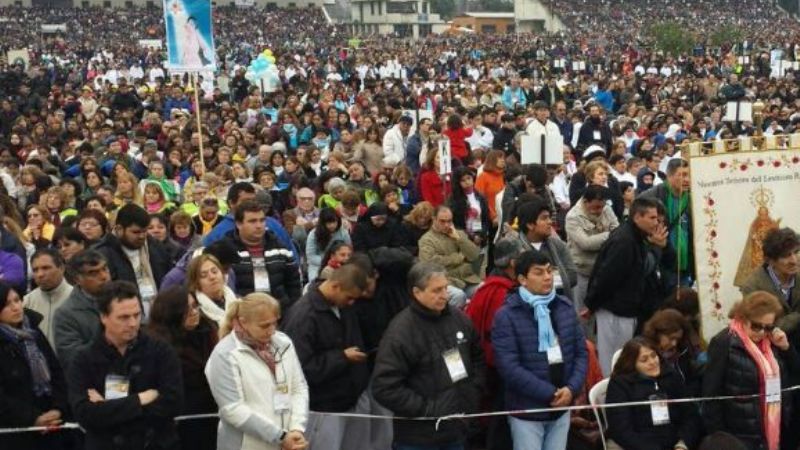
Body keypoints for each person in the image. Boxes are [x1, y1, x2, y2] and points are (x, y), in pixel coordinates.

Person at [372, 261, 485, 450]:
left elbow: (478, 357)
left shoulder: (459, 319)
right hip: (418, 437)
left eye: (446, 288)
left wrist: (472, 392)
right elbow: (384, 387)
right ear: (417, 292)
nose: (445, 295)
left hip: (456, 429)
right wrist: (428, 409)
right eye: (436, 290)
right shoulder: (401, 332)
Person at [67, 280, 184, 450]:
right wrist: (140, 399)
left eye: (136, 315)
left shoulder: (161, 350)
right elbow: (86, 415)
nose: (133, 323)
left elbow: (172, 404)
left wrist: (107, 409)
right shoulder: (84, 359)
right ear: (103, 317)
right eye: (123, 317)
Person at [491, 250, 587, 450]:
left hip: (562, 407)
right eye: (539, 272)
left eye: (549, 271)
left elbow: (580, 353)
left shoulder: (564, 307)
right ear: (522, 279)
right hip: (528, 411)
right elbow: (509, 368)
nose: (547, 277)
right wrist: (550, 394)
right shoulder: (507, 315)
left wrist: (571, 389)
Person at [282, 264, 371, 450]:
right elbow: (301, 369)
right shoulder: (303, 316)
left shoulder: (343, 306)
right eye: (349, 298)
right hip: (323, 409)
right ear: (336, 286)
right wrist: (342, 357)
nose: (351, 303)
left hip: (351, 401)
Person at [205, 292, 309, 450]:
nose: (272, 331)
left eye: (275, 323)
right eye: (264, 325)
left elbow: (298, 388)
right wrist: (279, 436)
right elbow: (232, 410)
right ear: (243, 322)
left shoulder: (284, 342)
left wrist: (296, 428)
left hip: (288, 441)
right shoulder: (224, 354)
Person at [585, 197, 672, 376]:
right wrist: (591, 304)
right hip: (616, 311)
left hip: (627, 309)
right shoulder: (624, 241)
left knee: (623, 358)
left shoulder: (636, 237)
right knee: (614, 360)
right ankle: (610, 397)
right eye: (652, 218)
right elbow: (606, 277)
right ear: (637, 217)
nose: (656, 223)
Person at [703, 291, 800, 450]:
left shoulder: (773, 341)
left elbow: (795, 373)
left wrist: (786, 348)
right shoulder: (724, 342)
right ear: (742, 317)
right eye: (756, 326)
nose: (762, 332)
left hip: (775, 430)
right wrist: (721, 438)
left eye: (768, 327)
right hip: (739, 434)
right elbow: (711, 394)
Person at [465, 239, 523, 450]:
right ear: (513, 263)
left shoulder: (485, 288)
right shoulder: (504, 293)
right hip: (500, 366)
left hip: (484, 364)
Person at [0, 281, 72, 450]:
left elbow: (56, 371)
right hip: (16, 432)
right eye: (7, 304)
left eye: (17, 300)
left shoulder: (32, 330)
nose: (16, 307)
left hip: (53, 424)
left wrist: (58, 408)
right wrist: (33, 418)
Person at [148, 287, 219, 450]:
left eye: (195, 306)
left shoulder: (208, 333)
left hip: (211, 415)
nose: (194, 312)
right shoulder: (158, 347)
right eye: (186, 309)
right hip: (179, 422)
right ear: (171, 313)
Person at [605, 337, 701, 450]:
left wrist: (682, 444)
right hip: (640, 445)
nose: (652, 362)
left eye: (654, 355)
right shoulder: (620, 385)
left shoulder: (671, 376)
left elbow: (691, 415)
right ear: (632, 364)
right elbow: (621, 430)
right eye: (644, 360)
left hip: (676, 443)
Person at [94, 203, 171, 320]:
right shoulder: (103, 254)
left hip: (159, 320)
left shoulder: (154, 247)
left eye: (145, 231)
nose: (142, 236)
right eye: (136, 232)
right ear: (119, 229)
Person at [223, 199, 302, 309]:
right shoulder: (225, 251)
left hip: (280, 315)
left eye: (262, 220)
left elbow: (294, 284)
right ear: (239, 224)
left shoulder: (281, 248)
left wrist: (291, 312)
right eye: (252, 221)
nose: (259, 225)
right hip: (243, 315)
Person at [565, 184, 619, 332]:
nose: (599, 211)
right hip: (583, 270)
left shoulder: (607, 209)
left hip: (603, 270)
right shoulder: (573, 217)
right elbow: (586, 243)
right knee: (582, 313)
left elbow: (618, 230)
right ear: (585, 202)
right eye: (595, 207)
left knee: (602, 312)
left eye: (601, 207)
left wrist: (610, 235)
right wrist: (610, 235)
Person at [501, 196, 578, 300]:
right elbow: (511, 281)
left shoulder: (558, 246)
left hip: (558, 301)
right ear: (530, 225)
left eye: (549, 217)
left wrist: (538, 282)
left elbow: (572, 276)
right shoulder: (513, 249)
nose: (550, 222)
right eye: (544, 218)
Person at [639, 158, 693, 291]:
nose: (687, 180)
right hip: (662, 262)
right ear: (669, 176)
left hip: (686, 261)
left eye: (690, 175)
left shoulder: (693, 197)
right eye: (683, 175)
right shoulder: (650, 197)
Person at [52, 249, 111, 371]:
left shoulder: (123, 299)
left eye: (105, 269)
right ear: (78, 279)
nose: (104, 276)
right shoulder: (66, 314)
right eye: (93, 273)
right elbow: (72, 359)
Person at [739, 228, 800, 342]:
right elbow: (763, 327)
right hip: (772, 347)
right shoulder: (752, 286)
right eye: (786, 255)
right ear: (771, 261)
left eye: (796, 252)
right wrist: (797, 316)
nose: (794, 260)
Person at [418, 205, 482, 308]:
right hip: (446, 282)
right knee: (458, 296)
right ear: (434, 219)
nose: (447, 225)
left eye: (449, 221)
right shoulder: (426, 240)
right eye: (442, 221)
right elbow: (430, 264)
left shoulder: (458, 234)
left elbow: (474, 255)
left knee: (485, 289)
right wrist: (459, 257)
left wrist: (459, 240)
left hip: (467, 279)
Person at [642, 309, 704, 395]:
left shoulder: (683, 353)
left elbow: (691, 380)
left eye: (677, 339)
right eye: (671, 338)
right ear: (658, 333)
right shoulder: (644, 353)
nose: (674, 343)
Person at [23, 248, 73, 347]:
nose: (40, 274)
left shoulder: (78, 299)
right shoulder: (26, 302)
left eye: (46, 268)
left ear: (62, 268)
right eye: (35, 270)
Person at [187, 253, 239, 324]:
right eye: (204, 275)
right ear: (195, 282)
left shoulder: (239, 302)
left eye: (214, 271)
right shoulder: (195, 314)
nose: (212, 277)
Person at [306, 207, 351, 282]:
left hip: (341, 263)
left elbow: (349, 249)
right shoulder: (313, 234)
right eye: (329, 223)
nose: (332, 225)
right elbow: (311, 256)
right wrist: (327, 261)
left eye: (334, 222)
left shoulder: (343, 233)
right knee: (315, 282)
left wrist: (340, 260)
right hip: (317, 265)